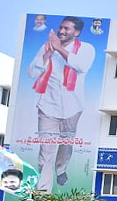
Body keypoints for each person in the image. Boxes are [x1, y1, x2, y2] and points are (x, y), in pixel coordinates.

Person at [28, 16, 95, 190]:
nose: (62, 31)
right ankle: (43, 197)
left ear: (77, 32)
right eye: (61, 28)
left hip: (73, 107)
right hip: (48, 106)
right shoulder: (46, 47)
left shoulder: (86, 49)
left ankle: (61, 168)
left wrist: (59, 49)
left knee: (65, 145)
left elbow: (82, 66)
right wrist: (47, 54)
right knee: (46, 152)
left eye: (67, 29)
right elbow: (32, 72)